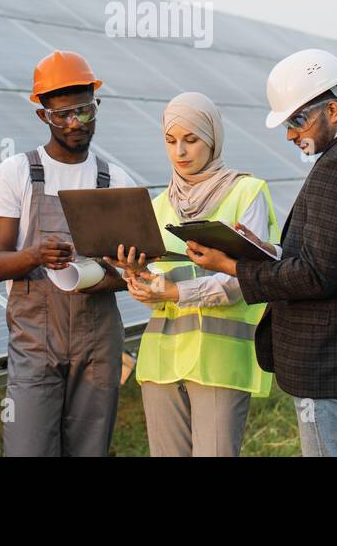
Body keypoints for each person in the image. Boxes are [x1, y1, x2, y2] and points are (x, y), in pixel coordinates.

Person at [186, 48, 337, 457]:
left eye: (297, 121)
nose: (291, 134)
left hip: (331, 364)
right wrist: (264, 250)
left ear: (331, 109)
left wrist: (232, 265)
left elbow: (315, 276)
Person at [108, 92, 280, 457]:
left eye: (191, 140)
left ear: (213, 139)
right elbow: (152, 285)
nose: (180, 152)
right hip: (161, 358)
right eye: (171, 141)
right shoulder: (158, 205)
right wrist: (136, 275)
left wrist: (173, 293)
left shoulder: (246, 192)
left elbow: (243, 279)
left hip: (220, 361)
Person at [0, 50, 134, 456]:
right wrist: (36, 254)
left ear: (95, 105)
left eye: (85, 111)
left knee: (89, 449)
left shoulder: (114, 180)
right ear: (43, 116)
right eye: (62, 115)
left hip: (98, 341)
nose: (75, 123)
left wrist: (104, 275)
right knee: (28, 447)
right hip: (36, 341)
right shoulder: (16, 172)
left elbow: (132, 272)